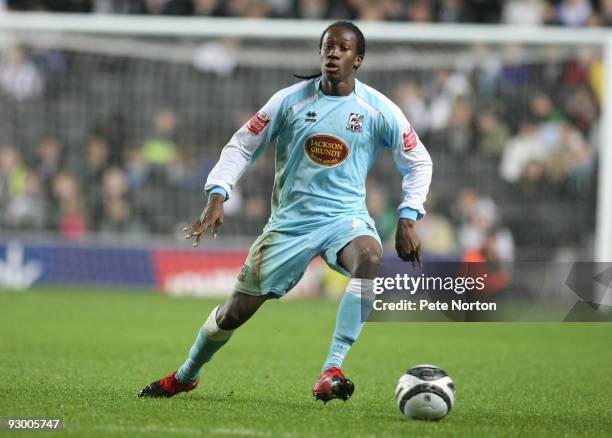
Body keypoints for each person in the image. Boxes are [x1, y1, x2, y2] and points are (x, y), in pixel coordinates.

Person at [138, 21, 432, 402]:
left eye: (342, 48)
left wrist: (408, 215)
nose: (332, 53)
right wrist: (217, 194)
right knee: (232, 314)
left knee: (370, 258)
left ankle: (332, 368)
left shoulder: (378, 109)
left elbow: (418, 161)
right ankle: (185, 374)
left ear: (357, 59)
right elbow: (242, 145)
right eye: (327, 46)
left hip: (344, 219)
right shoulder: (290, 101)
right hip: (289, 225)